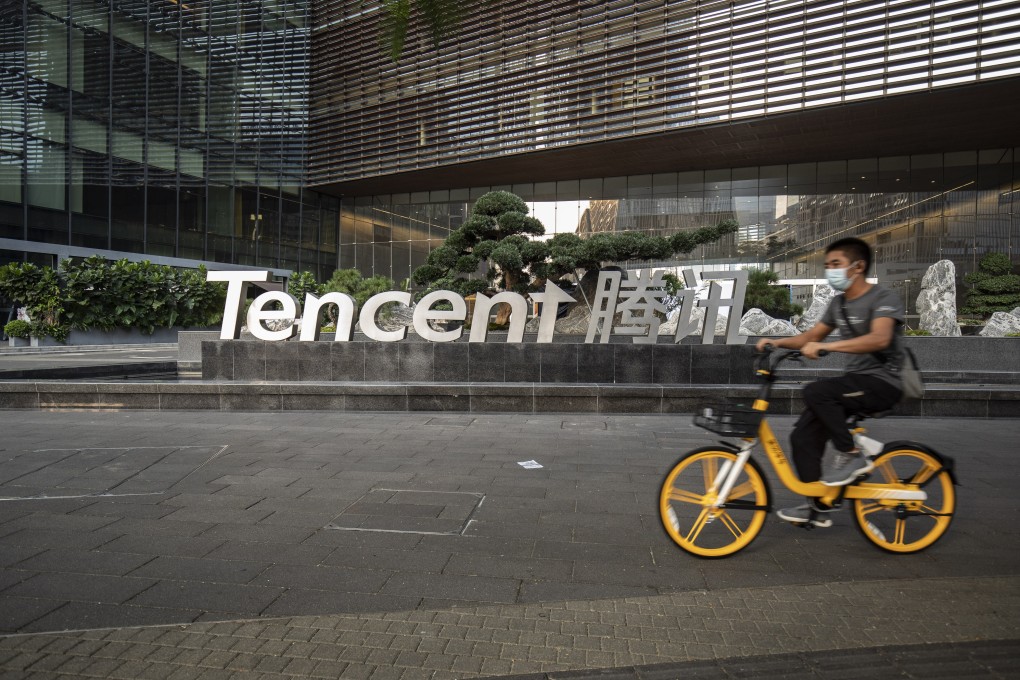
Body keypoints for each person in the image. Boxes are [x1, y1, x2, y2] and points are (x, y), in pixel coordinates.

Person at [755, 237, 905, 528]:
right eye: (827, 266)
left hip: (884, 383)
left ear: (858, 266)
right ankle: (817, 506)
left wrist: (829, 348)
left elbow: (880, 338)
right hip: (855, 383)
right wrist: (777, 342)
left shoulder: (884, 298)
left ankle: (852, 454)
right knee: (802, 437)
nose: (830, 271)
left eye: (836, 264)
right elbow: (808, 338)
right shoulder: (839, 304)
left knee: (816, 391)